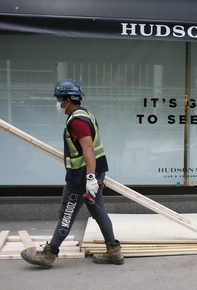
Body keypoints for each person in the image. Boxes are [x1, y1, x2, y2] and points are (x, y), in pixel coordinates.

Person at [21, 78, 124, 269]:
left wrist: (90, 178)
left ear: (67, 99)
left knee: (66, 214)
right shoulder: (86, 114)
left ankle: (49, 255)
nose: (59, 103)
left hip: (82, 178)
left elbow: (88, 150)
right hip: (92, 173)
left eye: (60, 99)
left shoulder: (77, 121)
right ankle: (114, 251)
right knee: (98, 210)